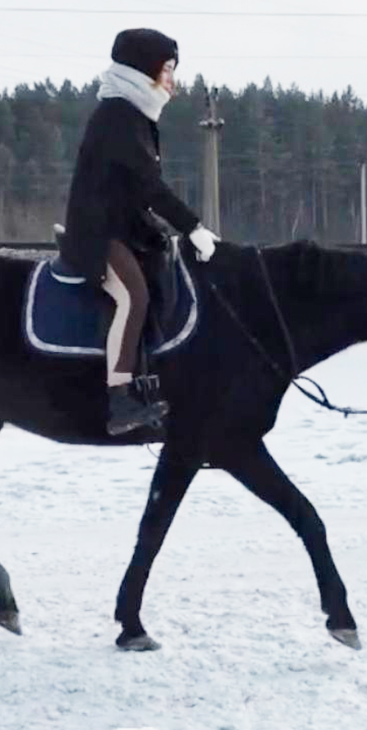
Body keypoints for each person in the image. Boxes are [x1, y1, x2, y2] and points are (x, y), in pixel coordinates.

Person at [61, 28, 220, 435]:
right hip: (98, 232)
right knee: (132, 294)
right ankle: (119, 399)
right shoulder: (118, 116)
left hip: (126, 227)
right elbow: (149, 185)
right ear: (142, 71)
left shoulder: (136, 114)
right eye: (166, 69)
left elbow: (136, 189)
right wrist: (193, 227)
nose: (172, 80)